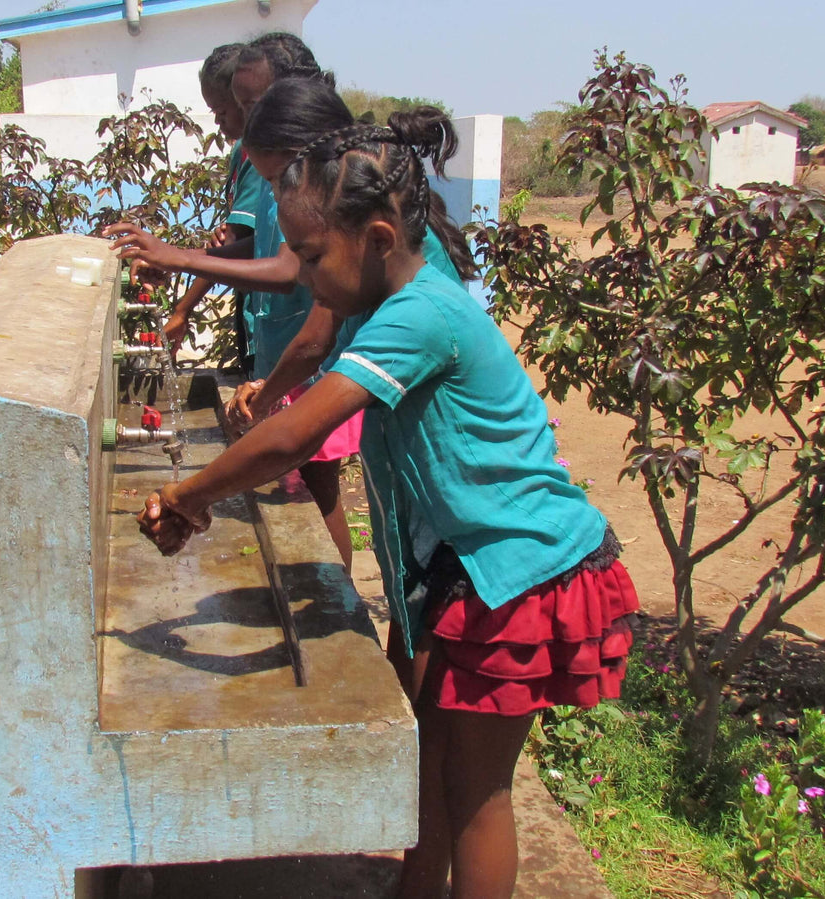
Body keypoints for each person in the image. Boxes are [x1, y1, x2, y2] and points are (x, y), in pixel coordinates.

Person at [138, 120, 640, 899]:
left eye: (310, 256)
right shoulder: (395, 301)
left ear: (375, 236)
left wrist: (184, 495)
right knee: (433, 758)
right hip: (467, 568)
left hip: (520, 571)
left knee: (477, 792)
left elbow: (295, 436)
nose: (304, 276)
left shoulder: (418, 315)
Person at [106, 37, 358, 570]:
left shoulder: (336, 215)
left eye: (244, 107)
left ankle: (340, 599)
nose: (238, 121)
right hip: (287, 347)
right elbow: (274, 261)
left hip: (307, 355)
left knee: (319, 485)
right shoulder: (291, 176)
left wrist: (186, 497)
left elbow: (291, 276)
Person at [226, 77, 477, 430]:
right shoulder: (365, 253)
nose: (278, 196)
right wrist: (268, 395)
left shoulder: (413, 299)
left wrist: (181, 489)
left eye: (280, 179)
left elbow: (314, 344)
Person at [159, 42, 263, 370]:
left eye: (221, 111)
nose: (218, 122)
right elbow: (232, 241)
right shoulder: (242, 152)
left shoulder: (261, 157)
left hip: (274, 315)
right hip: (255, 307)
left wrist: (183, 307)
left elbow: (238, 244)